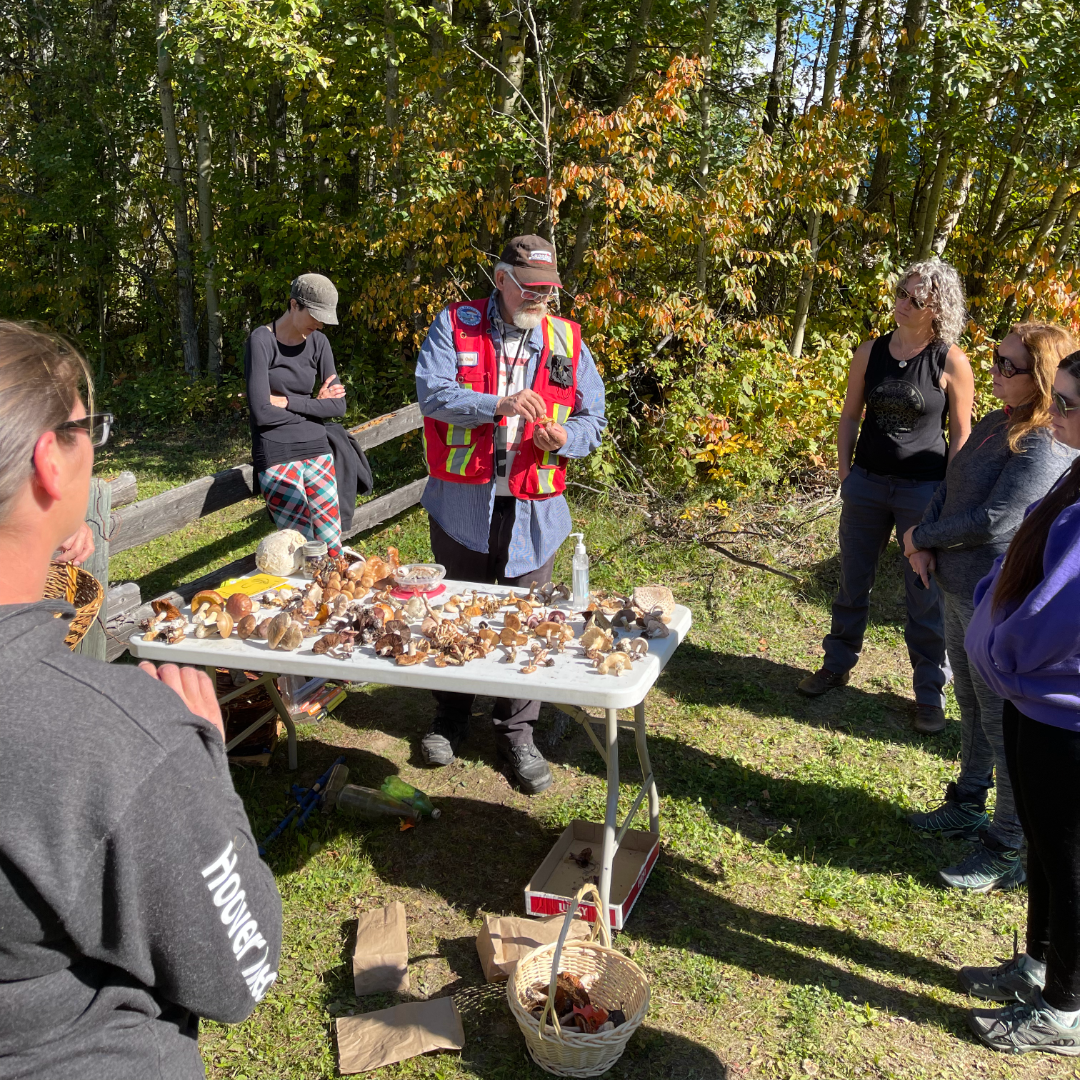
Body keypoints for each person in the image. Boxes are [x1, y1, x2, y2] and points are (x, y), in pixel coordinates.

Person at [0, 322, 282, 1079]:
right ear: (48, 463)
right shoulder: (127, 741)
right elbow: (243, 967)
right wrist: (203, 762)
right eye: (89, 428)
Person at [414, 235, 607, 793]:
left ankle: (517, 732)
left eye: (549, 293)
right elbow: (431, 393)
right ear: (501, 279)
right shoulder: (455, 324)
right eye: (531, 290)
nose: (540, 302)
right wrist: (496, 404)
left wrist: (564, 436)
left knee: (528, 620)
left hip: (536, 507)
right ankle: (450, 716)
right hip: (460, 505)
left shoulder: (567, 338)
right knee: (457, 611)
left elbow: (592, 417)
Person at [904, 323, 1078, 892]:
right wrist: (922, 535)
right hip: (958, 588)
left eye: (1010, 367)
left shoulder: (1043, 442)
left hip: (995, 595)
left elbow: (996, 519)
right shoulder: (994, 423)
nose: (997, 374)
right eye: (996, 362)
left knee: (1004, 722)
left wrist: (926, 538)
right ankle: (969, 801)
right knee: (973, 708)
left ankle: (1006, 841)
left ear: (1043, 377)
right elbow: (950, 487)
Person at [959, 348, 1080, 1056]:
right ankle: (1037, 963)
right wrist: (988, 610)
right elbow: (1019, 565)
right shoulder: (1073, 470)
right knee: (1041, 843)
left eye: (1067, 403)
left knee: (1069, 860)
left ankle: (1064, 1010)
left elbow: (1060, 610)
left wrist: (1002, 649)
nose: (1053, 411)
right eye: (1056, 398)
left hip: (1064, 710)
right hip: (1033, 700)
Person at [797, 259, 975, 734]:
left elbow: (961, 436)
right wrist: (845, 473)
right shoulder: (870, 351)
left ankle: (928, 694)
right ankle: (836, 665)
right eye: (901, 292)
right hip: (867, 484)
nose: (902, 303)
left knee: (924, 595)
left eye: (916, 299)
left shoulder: (950, 360)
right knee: (853, 580)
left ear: (936, 307)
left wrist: (949, 501)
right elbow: (850, 416)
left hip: (923, 492)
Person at [245, 273, 346, 556]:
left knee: (332, 544)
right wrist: (314, 406)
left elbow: (338, 407)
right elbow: (262, 413)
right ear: (293, 305)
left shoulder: (319, 343)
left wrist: (287, 401)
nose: (320, 323)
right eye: (315, 314)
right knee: (299, 547)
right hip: (277, 453)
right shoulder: (261, 341)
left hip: (318, 449)